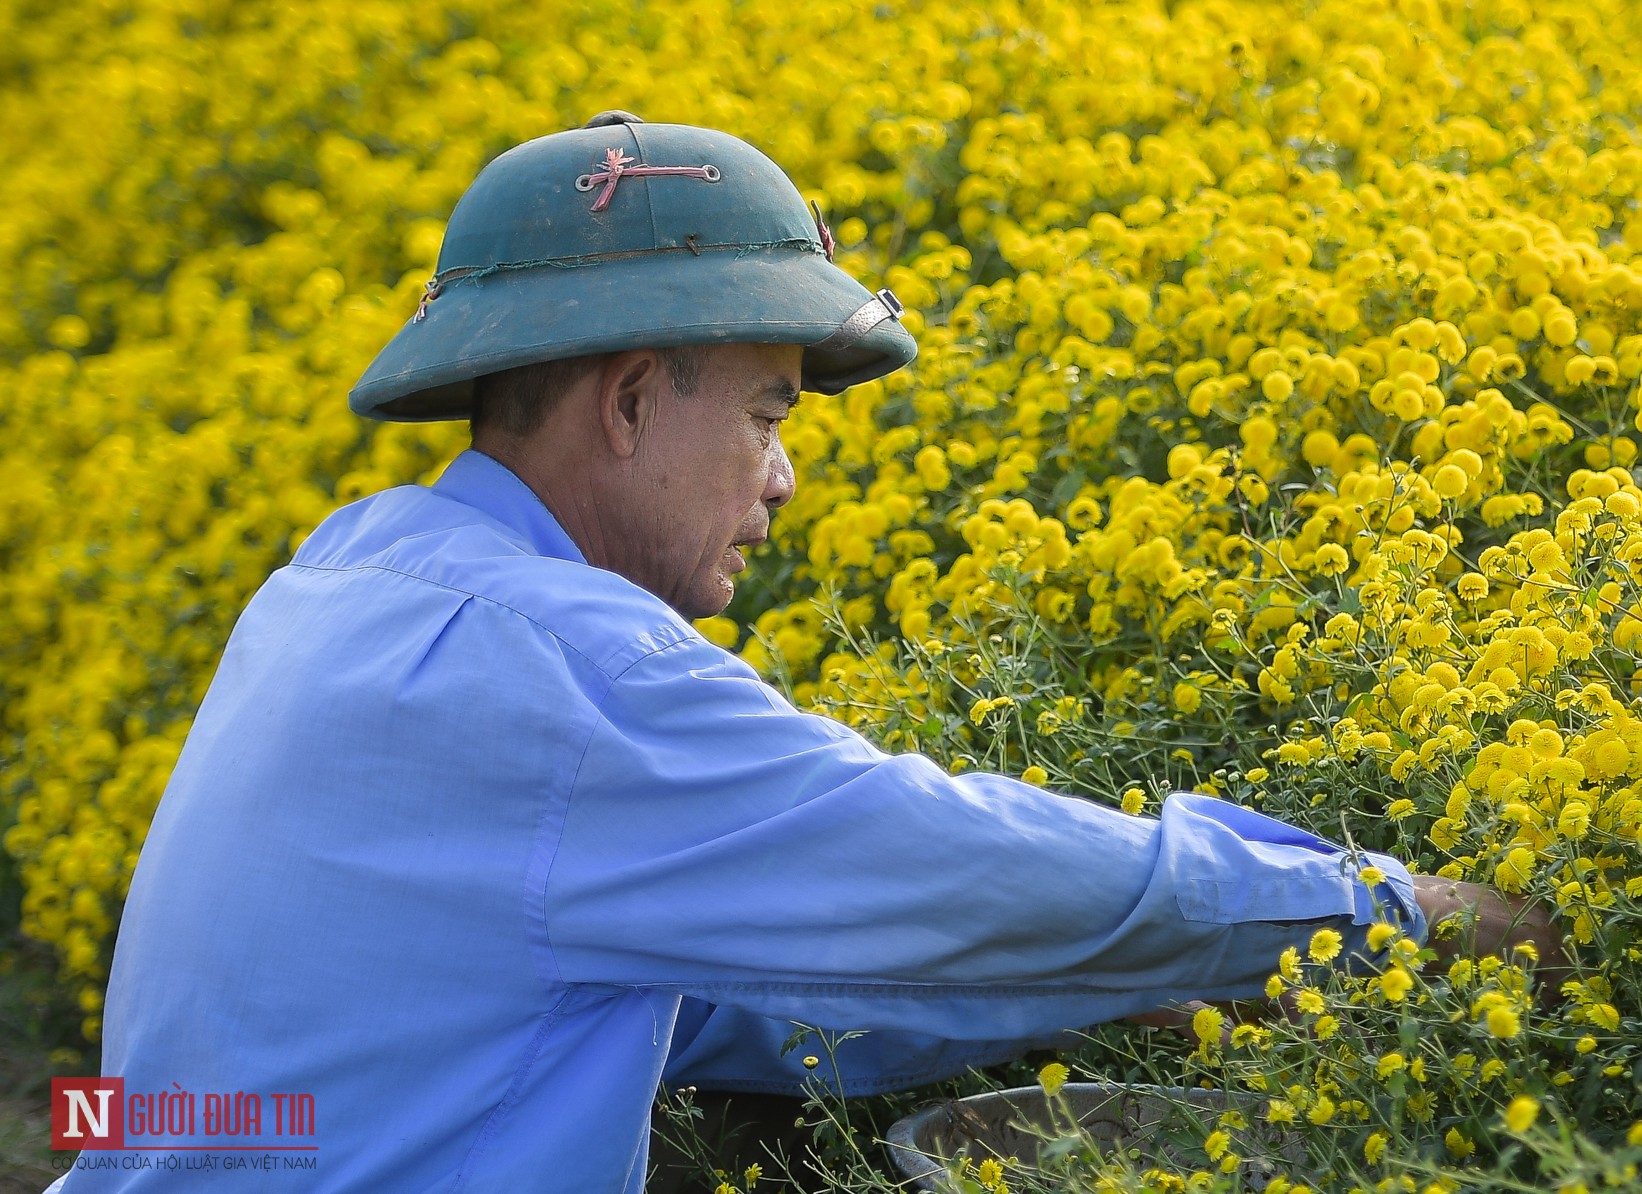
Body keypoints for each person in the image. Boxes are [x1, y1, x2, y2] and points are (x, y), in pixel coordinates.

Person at [55, 114, 1557, 1193]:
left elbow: (700, 1002)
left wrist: (1099, 986)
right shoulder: (562, 673)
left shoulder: (352, 572)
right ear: (633, 399)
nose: (782, 478)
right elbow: (939, 858)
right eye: (769, 414)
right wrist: (1382, 913)